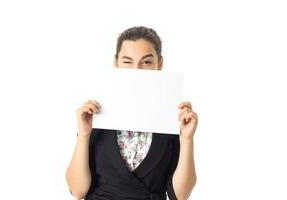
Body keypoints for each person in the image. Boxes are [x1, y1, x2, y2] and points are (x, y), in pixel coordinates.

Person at [65, 26, 198, 200]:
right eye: (128, 62)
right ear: (116, 63)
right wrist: (84, 134)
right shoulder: (98, 114)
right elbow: (77, 190)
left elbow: (180, 195)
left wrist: (187, 139)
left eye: (147, 62)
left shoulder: (172, 118)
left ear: (160, 63)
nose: (137, 70)